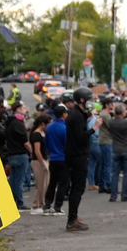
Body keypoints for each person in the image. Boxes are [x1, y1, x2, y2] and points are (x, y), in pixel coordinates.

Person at [64, 88, 93, 231]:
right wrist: (94, 129)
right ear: (82, 100)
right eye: (89, 99)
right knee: (77, 188)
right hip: (77, 157)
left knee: (77, 188)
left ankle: (73, 216)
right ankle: (71, 220)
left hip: (77, 155)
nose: (91, 101)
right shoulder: (76, 116)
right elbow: (80, 137)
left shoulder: (78, 114)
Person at [106, 103, 127, 202]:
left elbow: (118, 119)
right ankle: (124, 195)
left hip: (116, 149)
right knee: (126, 173)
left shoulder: (111, 122)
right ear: (123, 112)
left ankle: (113, 196)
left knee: (115, 173)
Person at [4, 101, 31, 210]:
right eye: (23, 108)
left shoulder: (9, 123)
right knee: (19, 181)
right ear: (18, 109)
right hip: (20, 154)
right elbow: (25, 142)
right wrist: (31, 151)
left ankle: (11, 201)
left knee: (13, 180)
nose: (25, 110)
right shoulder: (19, 124)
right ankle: (19, 203)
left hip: (11, 155)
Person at [45, 104, 69, 215]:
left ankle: (47, 204)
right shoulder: (64, 128)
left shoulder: (49, 127)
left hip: (53, 158)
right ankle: (57, 206)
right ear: (64, 114)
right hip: (63, 158)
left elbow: (46, 143)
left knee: (52, 182)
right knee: (62, 183)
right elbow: (67, 144)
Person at [30, 114, 51, 213]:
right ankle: (36, 205)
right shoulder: (36, 134)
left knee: (45, 184)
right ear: (43, 124)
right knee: (40, 184)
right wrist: (42, 163)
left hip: (44, 159)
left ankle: (41, 203)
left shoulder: (43, 133)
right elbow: (37, 151)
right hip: (38, 161)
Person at [96, 99, 114, 195]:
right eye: (111, 104)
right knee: (107, 165)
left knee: (103, 164)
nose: (113, 105)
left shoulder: (102, 114)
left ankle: (102, 185)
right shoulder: (106, 115)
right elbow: (112, 126)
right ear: (107, 105)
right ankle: (108, 185)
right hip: (107, 141)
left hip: (102, 140)